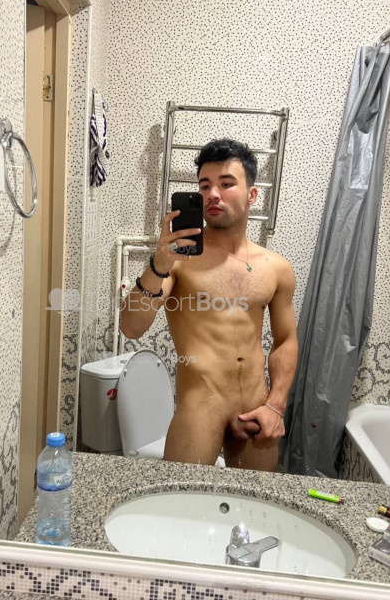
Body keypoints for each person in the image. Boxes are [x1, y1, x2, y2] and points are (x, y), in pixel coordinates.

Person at [119, 137, 298, 470]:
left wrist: (276, 405)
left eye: (226, 184)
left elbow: (286, 341)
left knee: (255, 500)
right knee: (183, 500)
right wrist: (158, 264)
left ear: (252, 195)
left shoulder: (276, 268)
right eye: (205, 186)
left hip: (257, 408)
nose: (213, 194)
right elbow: (130, 327)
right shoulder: (178, 261)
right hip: (201, 408)